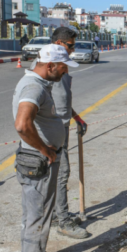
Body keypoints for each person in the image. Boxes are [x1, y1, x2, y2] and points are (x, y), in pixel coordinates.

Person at [13, 44, 79, 252]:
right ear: (50, 66)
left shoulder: (39, 84)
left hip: (38, 159)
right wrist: (45, 149)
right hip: (38, 161)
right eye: (62, 69)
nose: (64, 74)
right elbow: (22, 124)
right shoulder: (33, 87)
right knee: (37, 217)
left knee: (37, 214)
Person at [47, 27, 90, 239]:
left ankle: (58, 214)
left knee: (60, 174)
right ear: (58, 44)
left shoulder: (62, 67)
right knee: (61, 174)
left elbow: (63, 100)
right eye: (70, 46)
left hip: (62, 127)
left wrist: (76, 117)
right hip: (52, 132)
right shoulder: (48, 67)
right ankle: (62, 221)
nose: (73, 50)